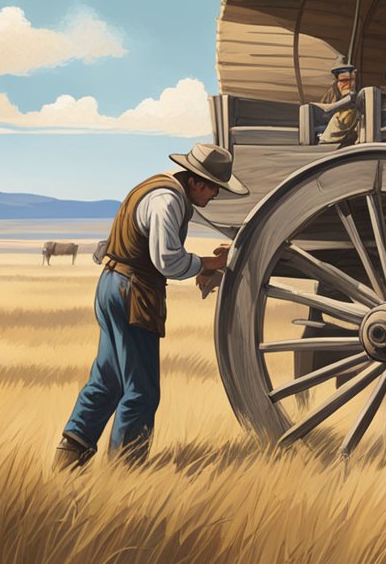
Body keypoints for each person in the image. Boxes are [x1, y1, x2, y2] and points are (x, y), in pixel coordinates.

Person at [53, 143, 248, 470]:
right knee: (141, 391)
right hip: (134, 294)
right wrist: (210, 263)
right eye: (214, 188)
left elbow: (123, 249)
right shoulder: (169, 200)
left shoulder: (154, 188)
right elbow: (167, 260)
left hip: (112, 286)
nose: (214, 196)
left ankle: (70, 451)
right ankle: (124, 471)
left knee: (107, 378)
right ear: (197, 182)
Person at [318, 64, 360, 146]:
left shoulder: (356, 104)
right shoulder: (332, 93)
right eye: (344, 81)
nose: (348, 84)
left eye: (351, 80)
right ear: (337, 83)